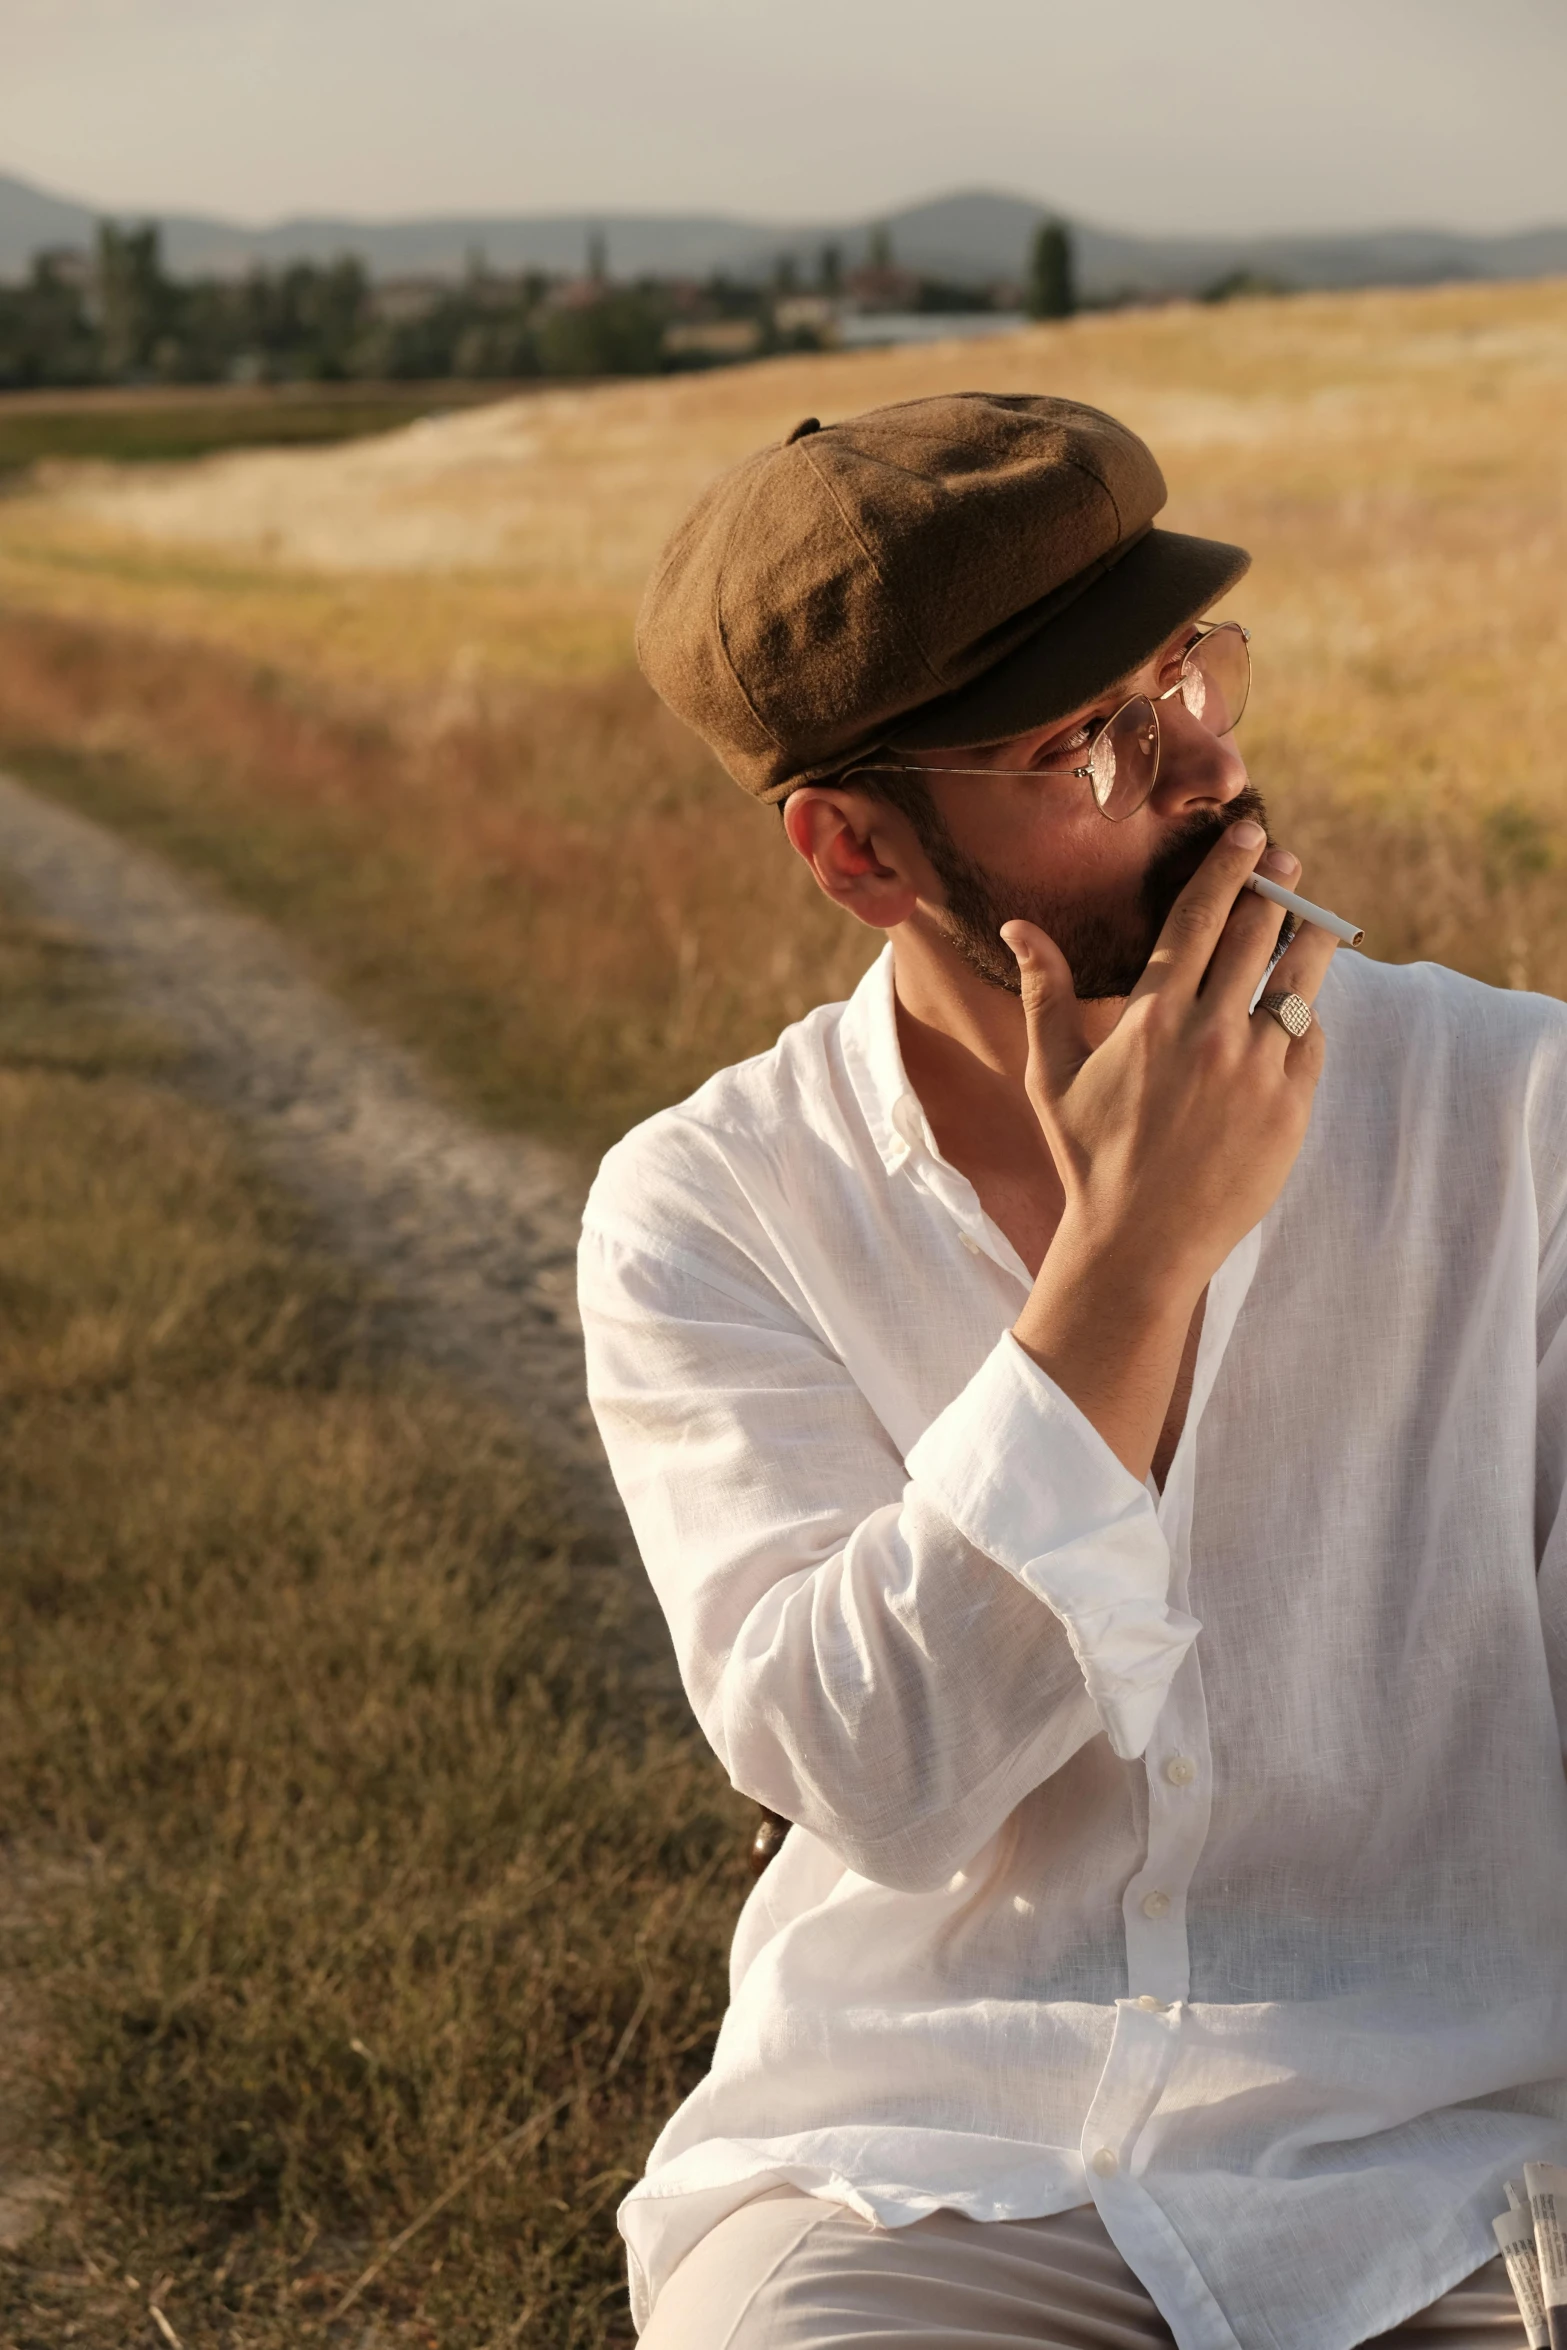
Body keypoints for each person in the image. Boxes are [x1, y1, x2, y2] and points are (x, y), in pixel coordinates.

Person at [576, 393, 1565, 2348]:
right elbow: (882, 1774)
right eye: (1083, 741)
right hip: (916, 2157)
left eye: (1186, 669)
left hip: (1451, 2146)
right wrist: (1134, 1266)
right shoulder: (713, 1205)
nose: (1205, 756)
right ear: (856, 847)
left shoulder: (1517, 1115)